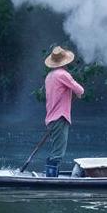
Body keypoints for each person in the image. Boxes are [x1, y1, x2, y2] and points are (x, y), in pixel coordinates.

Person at [43, 46, 85, 177]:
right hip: (60, 117)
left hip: (51, 117)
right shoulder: (63, 74)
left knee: (56, 149)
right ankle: (51, 179)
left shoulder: (50, 76)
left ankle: (51, 175)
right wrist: (77, 93)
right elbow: (80, 90)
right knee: (58, 153)